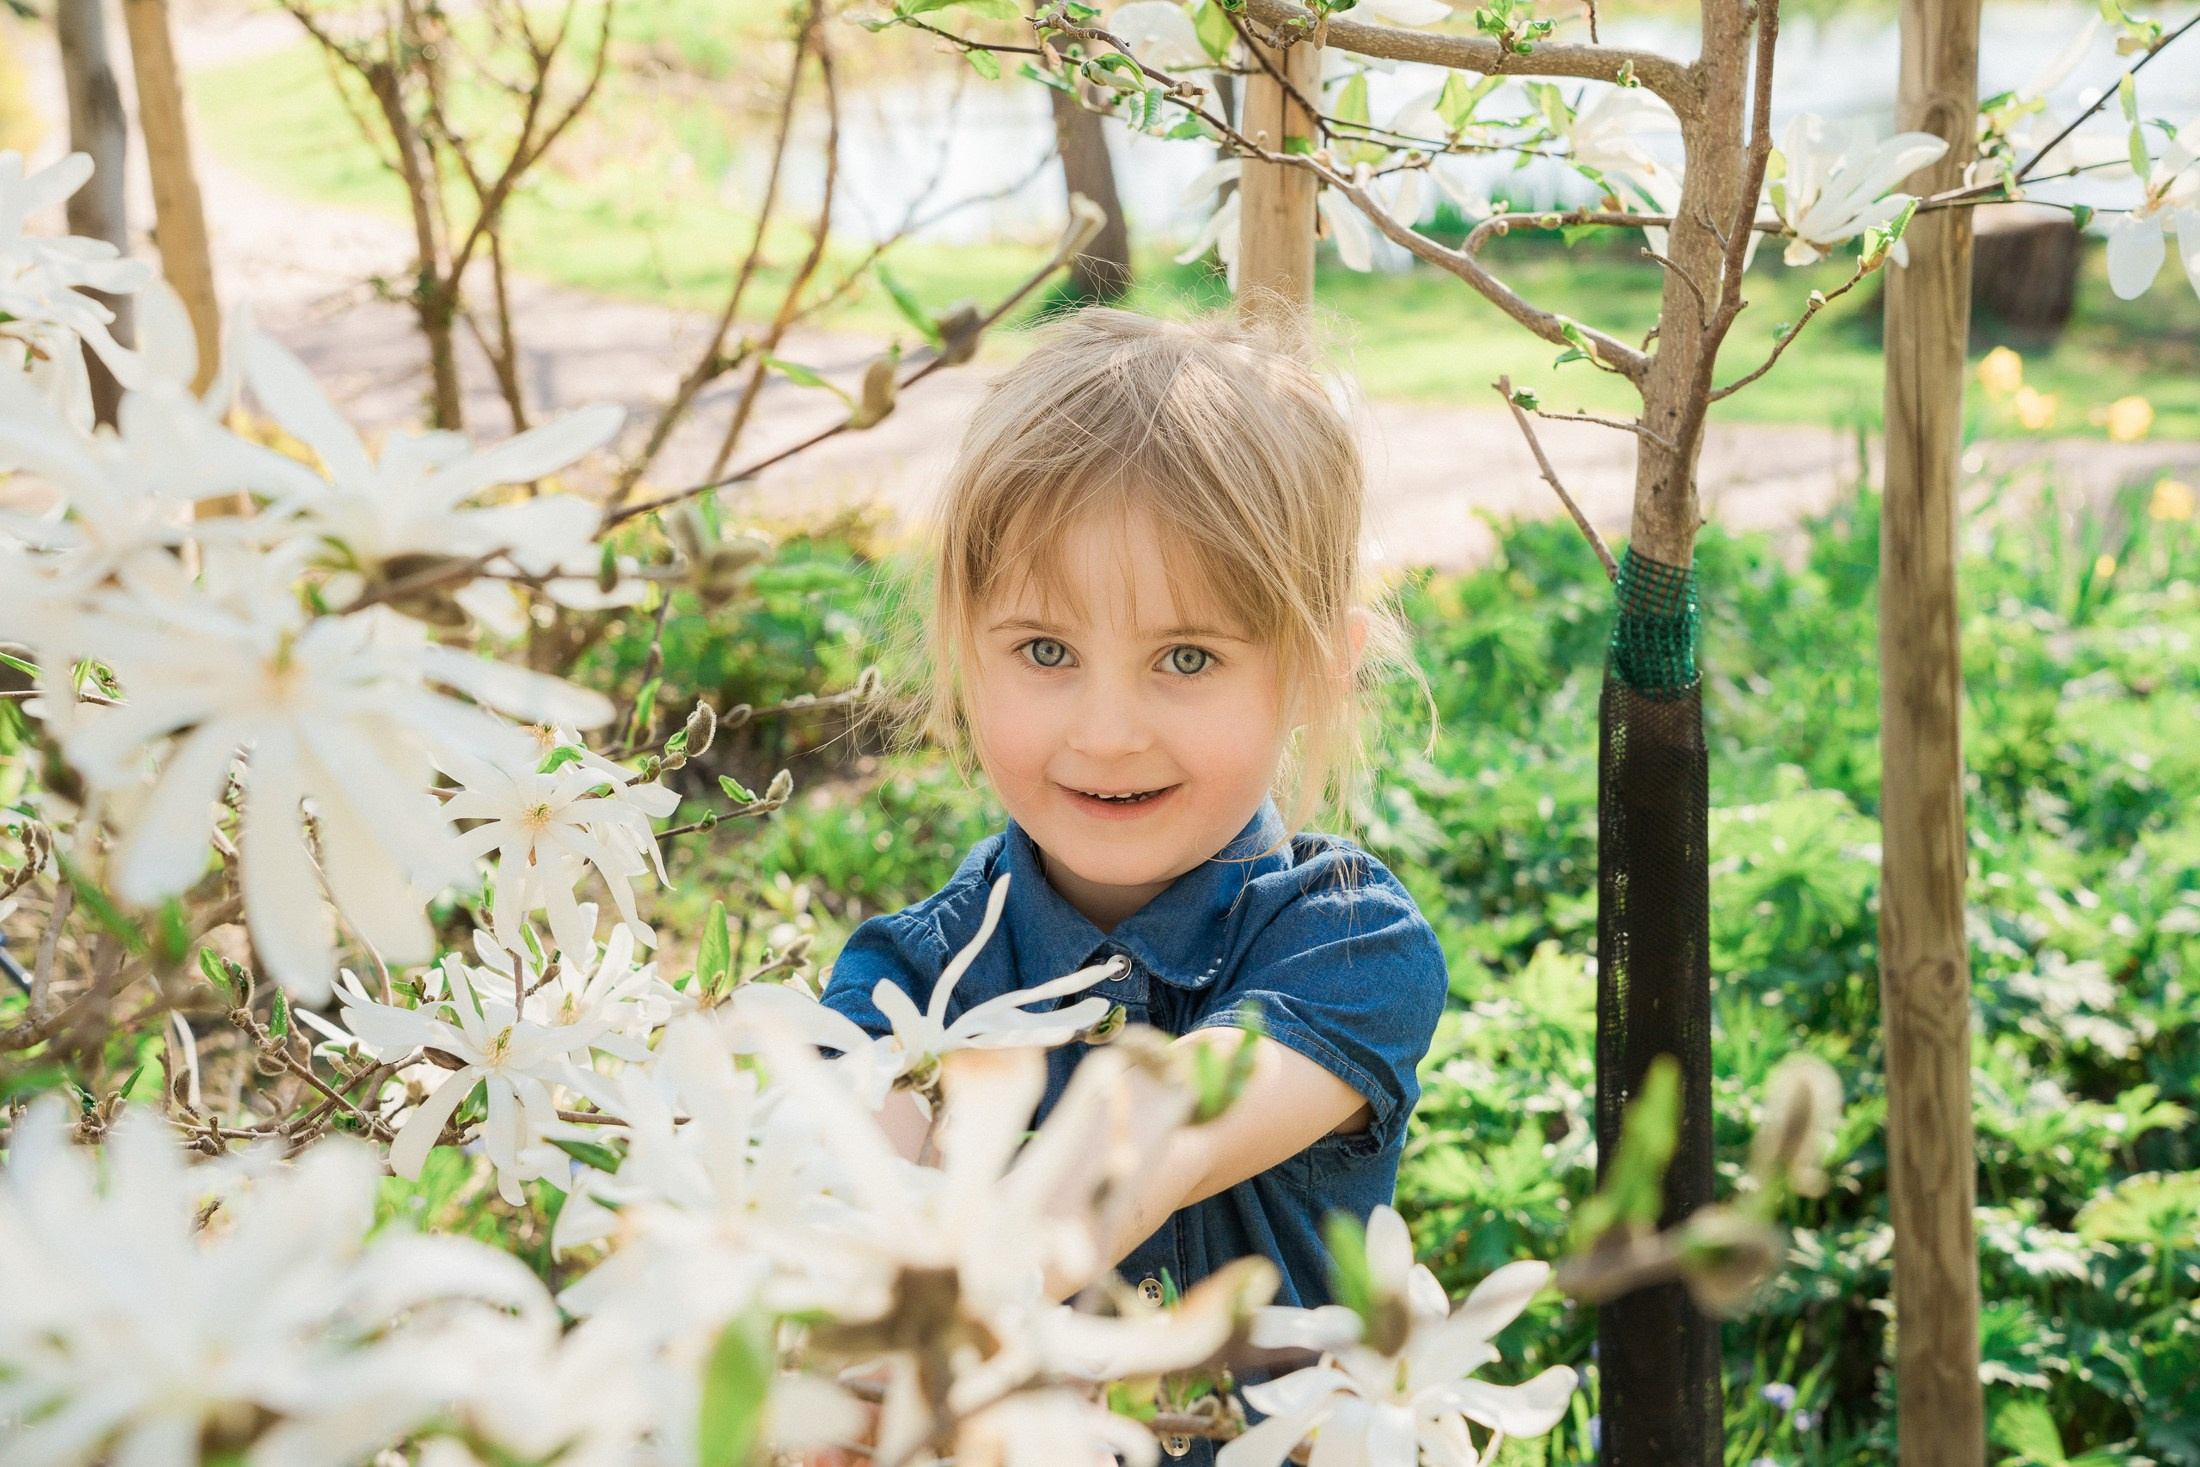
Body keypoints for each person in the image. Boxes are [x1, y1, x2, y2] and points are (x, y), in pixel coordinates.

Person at [818, 305, 1447, 1458]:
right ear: (965, 649)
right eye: (1045, 651)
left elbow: (1162, 1127)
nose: (1107, 734)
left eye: (1187, 657)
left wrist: (950, 1325)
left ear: (1316, 670)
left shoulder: (1347, 944)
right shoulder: (910, 978)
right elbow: (825, 1188)